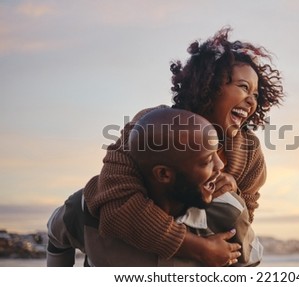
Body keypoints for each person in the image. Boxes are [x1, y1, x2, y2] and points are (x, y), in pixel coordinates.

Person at [83, 27, 284, 266]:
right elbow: (117, 205)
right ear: (209, 85)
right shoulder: (152, 126)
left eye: (256, 93)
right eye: (243, 87)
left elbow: (243, 222)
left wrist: (234, 194)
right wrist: (198, 249)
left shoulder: (249, 152)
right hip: (129, 249)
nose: (252, 100)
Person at [47, 108, 263, 266]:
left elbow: (250, 263)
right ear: (163, 174)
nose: (221, 166)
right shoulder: (89, 207)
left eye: (218, 153)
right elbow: (56, 235)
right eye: (207, 160)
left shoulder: (228, 212)